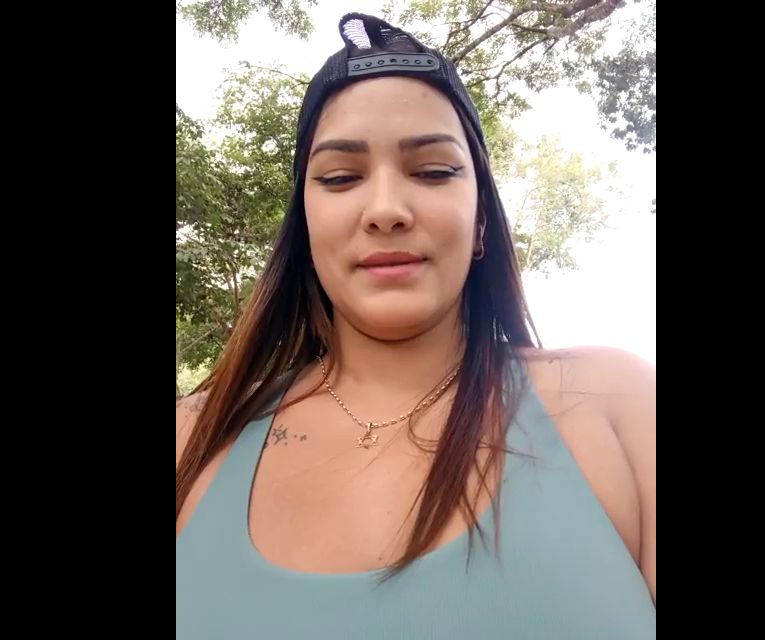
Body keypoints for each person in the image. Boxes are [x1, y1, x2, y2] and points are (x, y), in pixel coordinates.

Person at [176, 12, 655, 639]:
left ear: (481, 221)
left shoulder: (618, 406)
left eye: (433, 171)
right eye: (340, 178)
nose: (386, 210)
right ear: (306, 226)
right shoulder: (193, 437)